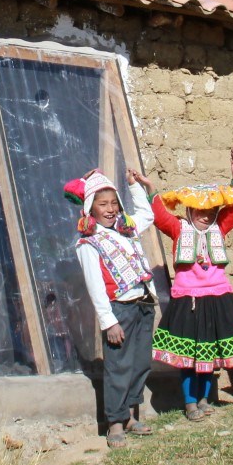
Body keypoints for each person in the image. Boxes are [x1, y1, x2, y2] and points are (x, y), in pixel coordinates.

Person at [149, 154, 233, 420]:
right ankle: (189, 403)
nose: (206, 217)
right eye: (200, 212)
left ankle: (205, 399)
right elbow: (160, 216)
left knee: (209, 353)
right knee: (188, 356)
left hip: (216, 298)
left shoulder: (220, 229)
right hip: (188, 301)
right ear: (190, 211)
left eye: (210, 213)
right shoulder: (178, 229)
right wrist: (150, 189)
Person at [67, 167, 158, 448]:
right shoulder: (89, 243)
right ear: (90, 208)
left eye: (113, 203)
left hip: (143, 304)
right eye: (103, 204)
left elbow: (148, 215)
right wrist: (109, 321)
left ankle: (130, 415)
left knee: (140, 362)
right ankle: (115, 423)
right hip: (119, 310)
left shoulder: (126, 229)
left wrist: (134, 186)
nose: (110, 209)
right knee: (118, 366)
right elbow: (95, 287)